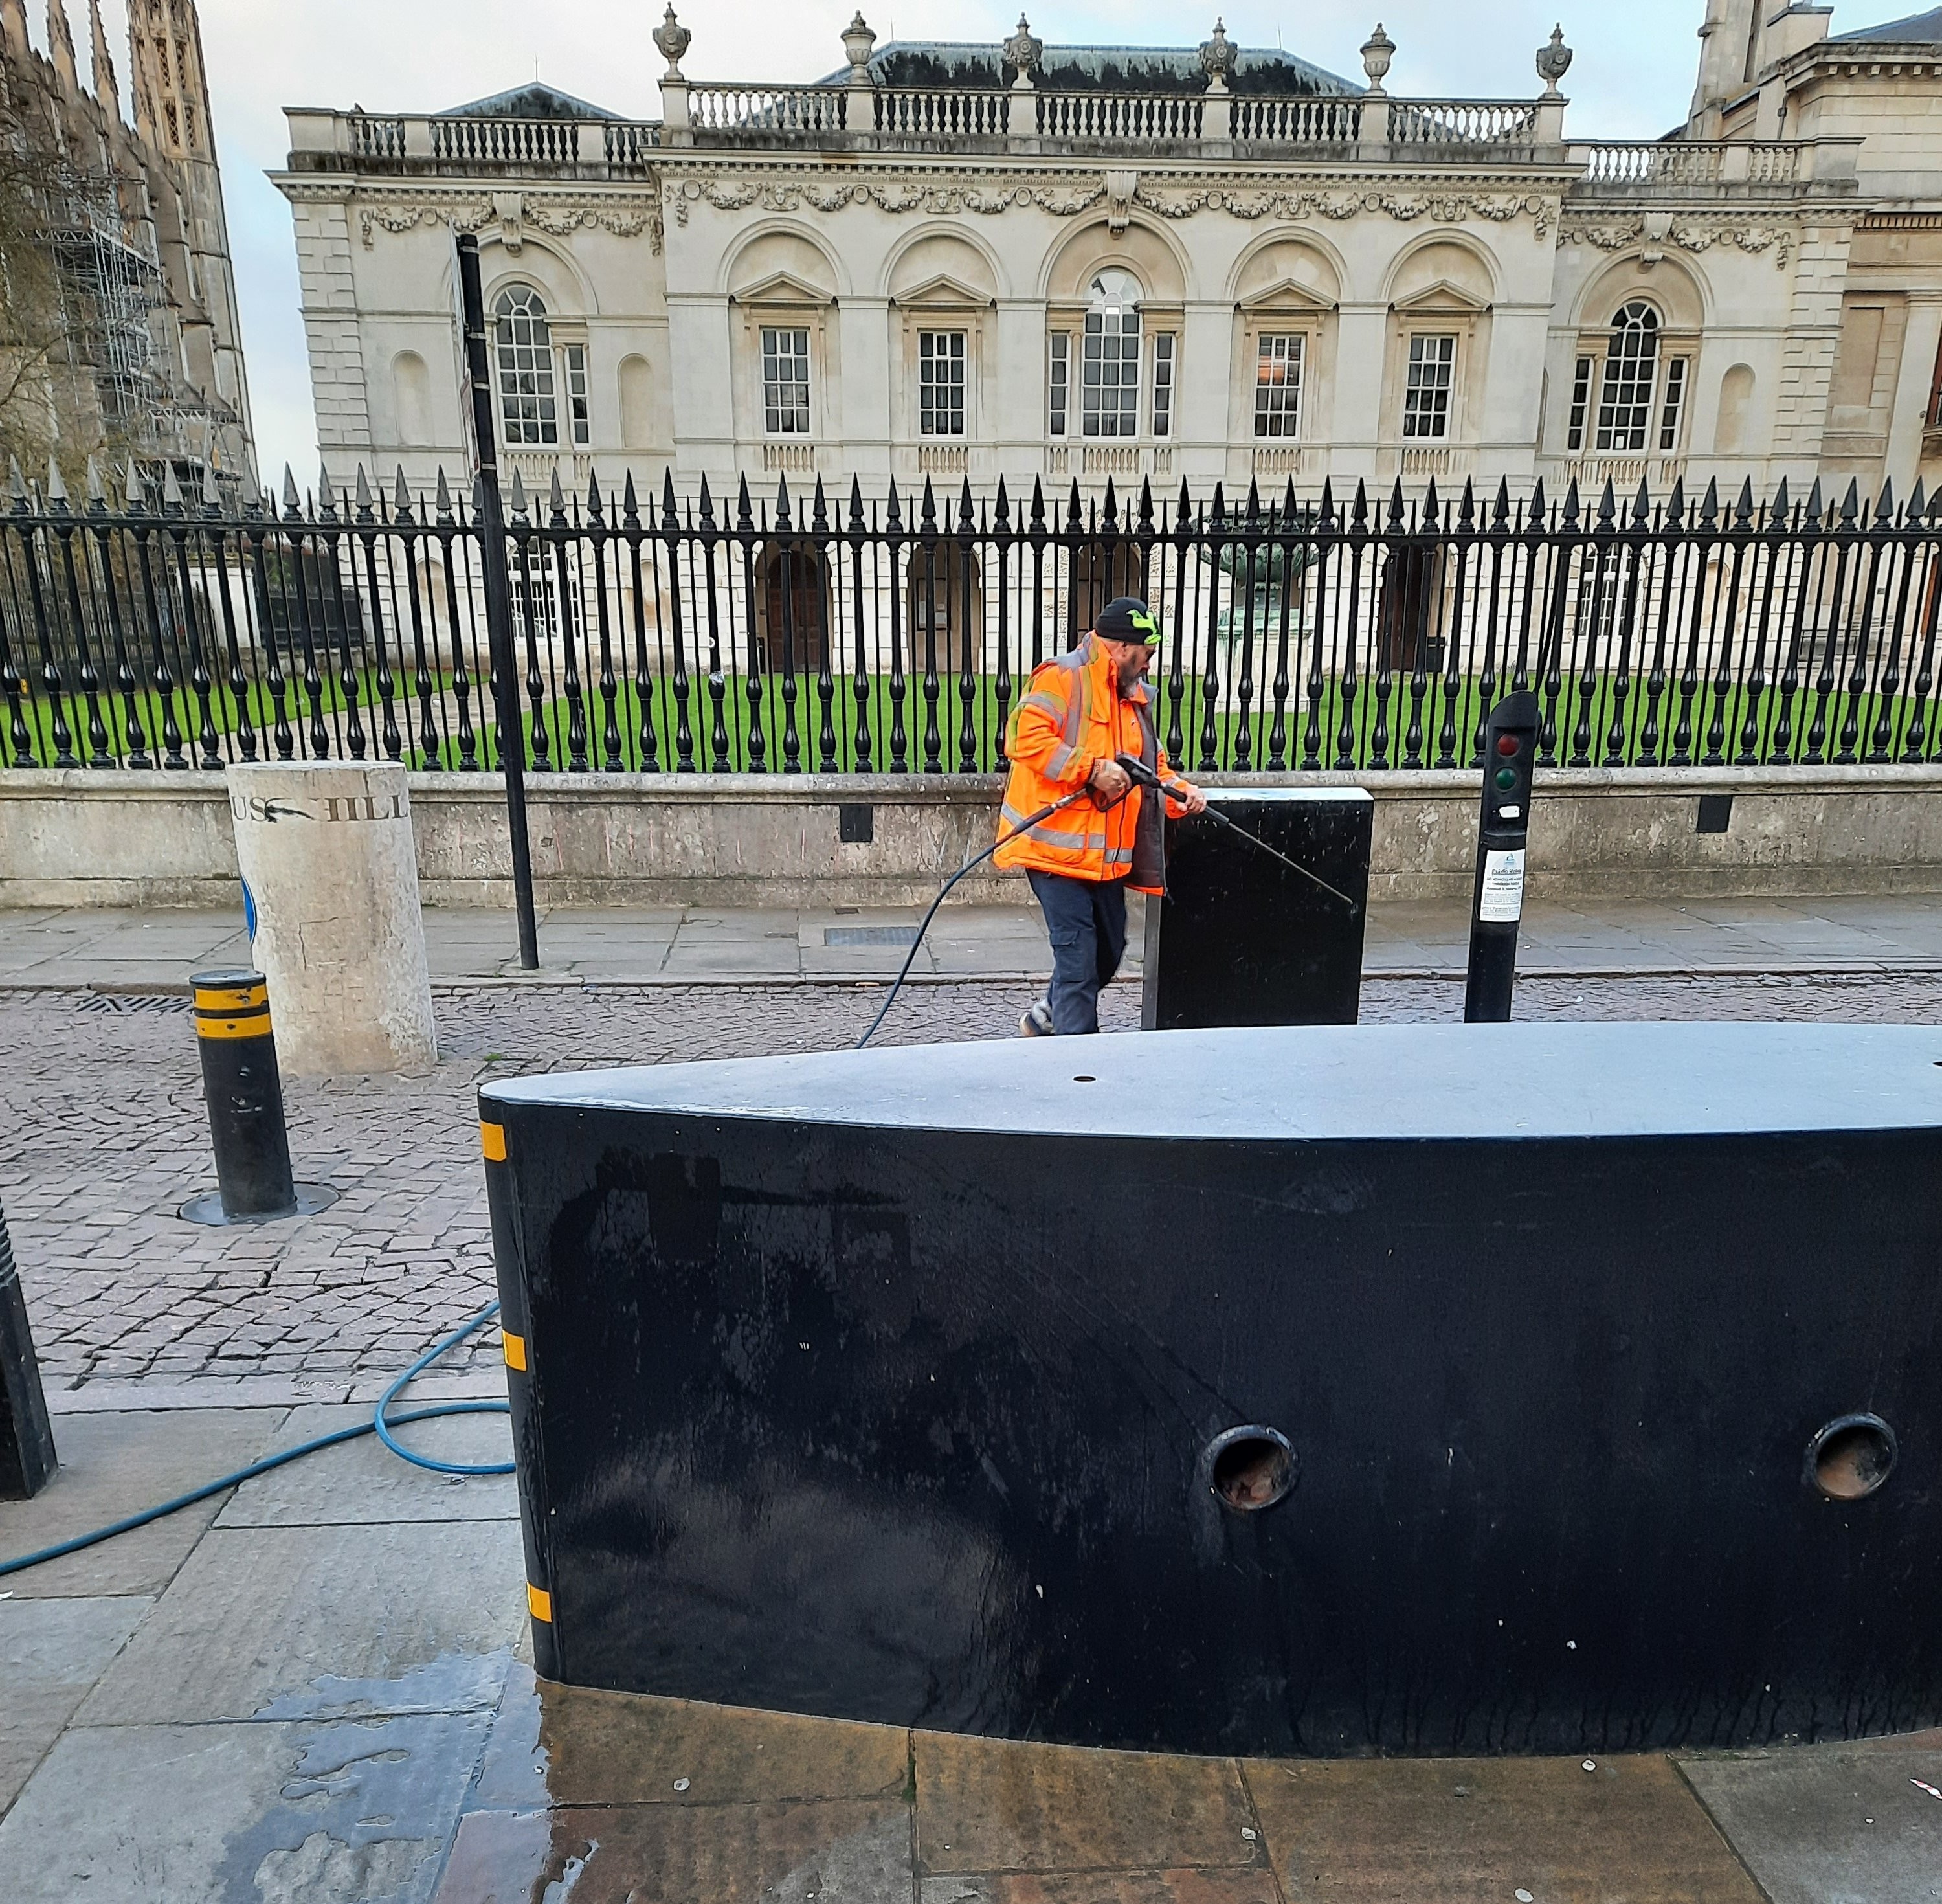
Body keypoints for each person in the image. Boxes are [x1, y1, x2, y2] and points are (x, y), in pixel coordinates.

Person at [996, 596, 1207, 1035]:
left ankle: (1046, 1015)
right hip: (1053, 853)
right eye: (1147, 655)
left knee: (1107, 954)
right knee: (1078, 965)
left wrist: (1182, 794)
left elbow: (1153, 768)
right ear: (1123, 647)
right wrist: (1090, 769)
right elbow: (1020, 737)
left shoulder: (1133, 700)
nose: (1150, 665)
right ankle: (1078, 1072)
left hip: (1105, 862)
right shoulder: (1061, 678)